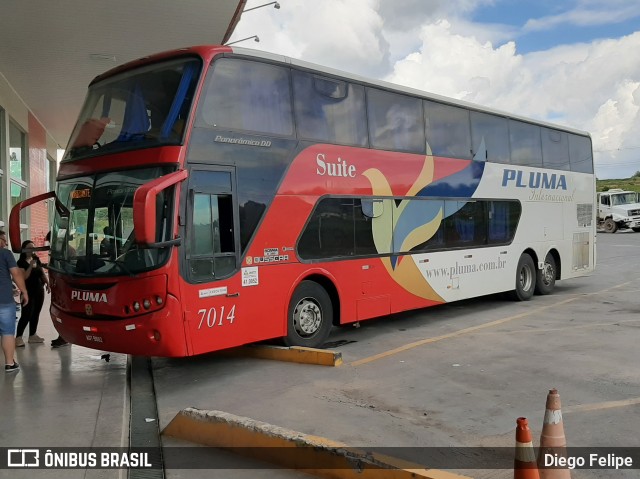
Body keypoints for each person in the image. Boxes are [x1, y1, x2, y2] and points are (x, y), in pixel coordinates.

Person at [0, 230, 29, 372]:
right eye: (4, 240)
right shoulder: (5, 253)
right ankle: (9, 363)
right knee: (7, 332)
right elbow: (16, 273)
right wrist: (24, 291)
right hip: (3, 301)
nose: (5, 243)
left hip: (5, 295)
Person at [15, 240, 50, 347]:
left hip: (39, 289)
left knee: (36, 313)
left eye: (33, 248)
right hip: (27, 290)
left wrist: (47, 283)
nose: (32, 250)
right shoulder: (20, 262)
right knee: (26, 314)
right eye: (29, 248)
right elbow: (24, 277)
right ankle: (18, 337)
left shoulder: (36, 259)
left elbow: (41, 273)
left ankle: (32, 335)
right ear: (24, 249)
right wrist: (30, 266)